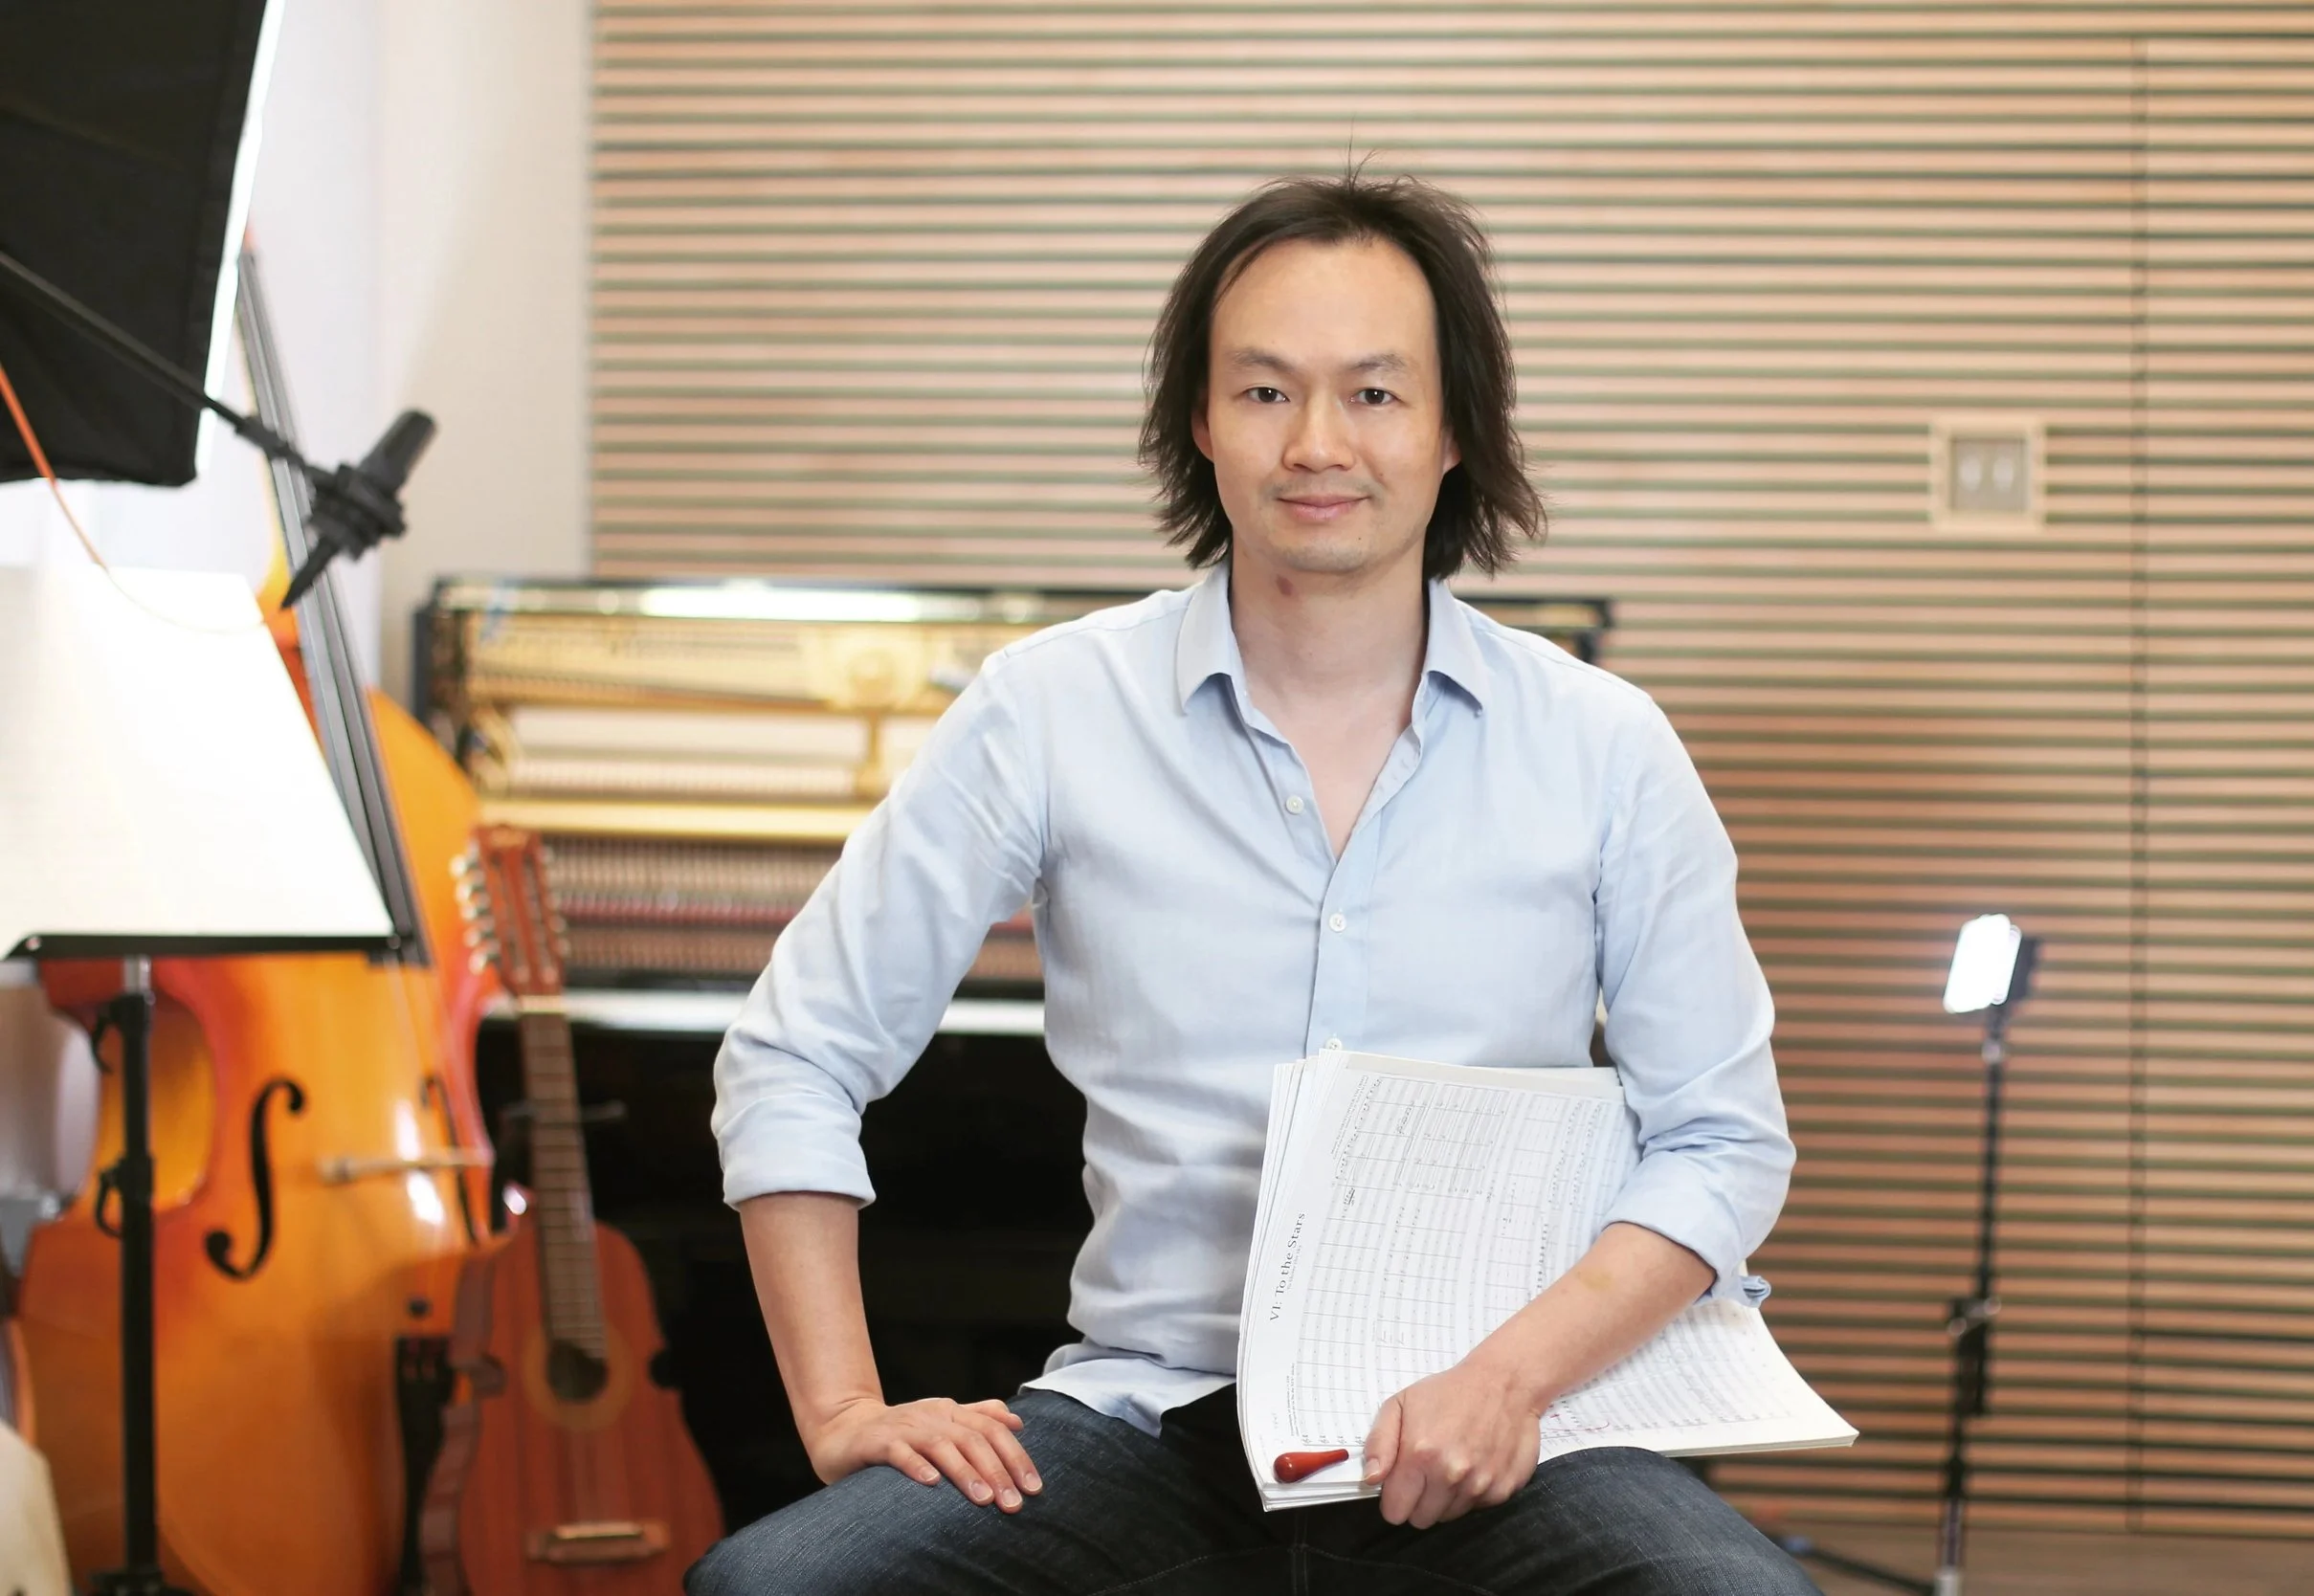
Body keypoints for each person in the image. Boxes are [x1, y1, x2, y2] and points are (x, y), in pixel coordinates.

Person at [692, 171, 1817, 1596]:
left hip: (1505, 1423)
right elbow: (793, 1054)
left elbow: (1720, 1140)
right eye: (1267, 392)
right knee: (770, 1588)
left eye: (1375, 393)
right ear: (1202, 423)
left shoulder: (1604, 745)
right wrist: (844, 1406)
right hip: (1147, 1420)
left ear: (1454, 428)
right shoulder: (1049, 711)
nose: (1317, 444)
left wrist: (1507, 1379)